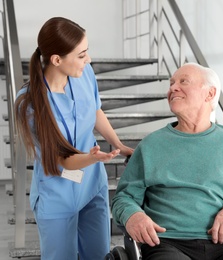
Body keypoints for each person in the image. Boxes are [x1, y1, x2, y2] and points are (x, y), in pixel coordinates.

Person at [111, 62, 223, 260]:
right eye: (171, 83)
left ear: (210, 94)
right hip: (166, 243)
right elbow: (123, 198)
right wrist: (133, 216)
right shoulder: (150, 145)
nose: (173, 87)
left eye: (183, 81)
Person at [15, 17, 134, 260]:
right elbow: (64, 161)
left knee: (99, 255)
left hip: (92, 186)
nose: (87, 60)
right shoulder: (30, 103)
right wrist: (92, 157)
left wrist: (118, 144)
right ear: (57, 60)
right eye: (81, 55)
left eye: (87, 52)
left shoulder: (84, 73)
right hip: (57, 191)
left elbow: (95, 110)